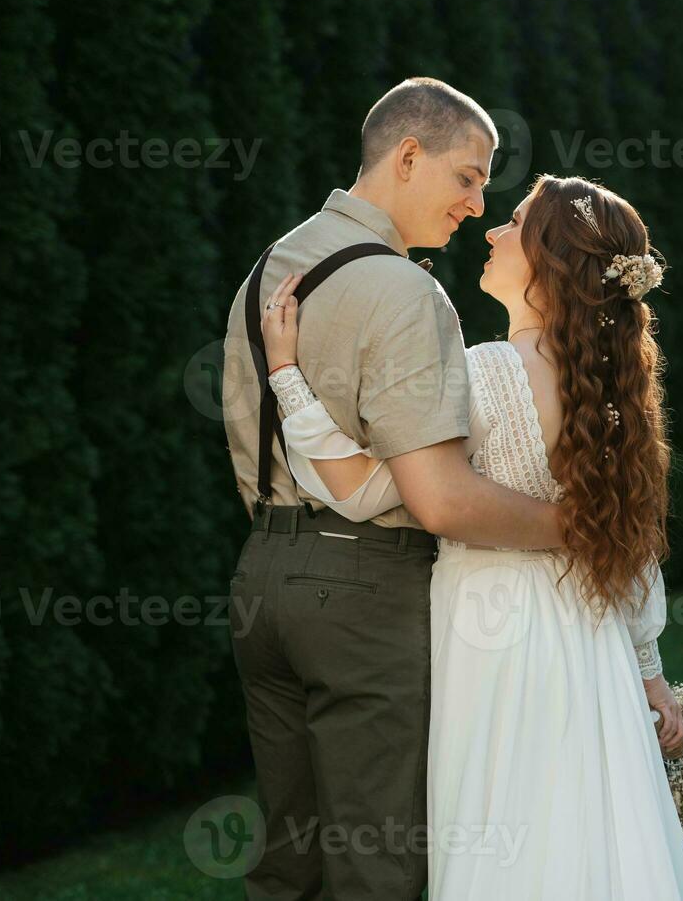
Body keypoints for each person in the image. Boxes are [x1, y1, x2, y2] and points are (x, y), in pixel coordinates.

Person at [261, 173, 683, 899]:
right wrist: (648, 671)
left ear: (550, 260)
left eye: (515, 223)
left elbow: (363, 487)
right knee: (588, 827)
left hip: (489, 634)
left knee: (504, 826)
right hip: (590, 641)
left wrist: (288, 377)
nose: (493, 232)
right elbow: (630, 557)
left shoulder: (481, 373)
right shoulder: (613, 386)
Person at [222, 78, 566, 901]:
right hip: (365, 596)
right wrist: (580, 526)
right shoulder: (406, 292)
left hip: (260, 585)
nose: (479, 205)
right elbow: (442, 499)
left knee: (290, 870)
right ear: (408, 155)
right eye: (468, 176)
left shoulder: (267, 269)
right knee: (379, 869)